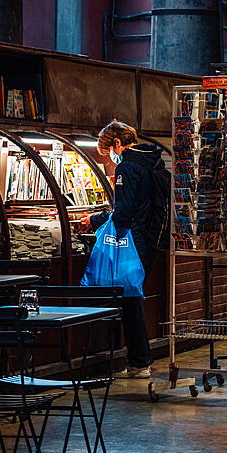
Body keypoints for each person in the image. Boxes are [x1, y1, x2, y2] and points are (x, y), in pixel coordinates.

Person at [88, 120, 162, 379]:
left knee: (129, 300)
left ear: (117, 144)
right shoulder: (151, 159)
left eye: (109, 150)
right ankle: (139, 361)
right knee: (131, 299)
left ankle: (140, 363)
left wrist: (95, 220)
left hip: (134, 240)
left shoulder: (127, 167)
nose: (110, 156)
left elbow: (123, 213)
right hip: (151, 238)